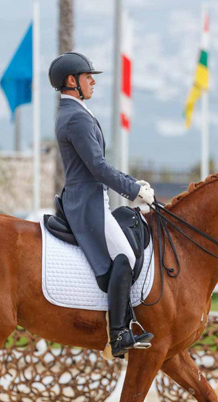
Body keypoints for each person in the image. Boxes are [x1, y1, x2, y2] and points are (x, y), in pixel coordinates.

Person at [49, 52, 155, 357]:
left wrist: (132, 185)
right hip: (87, 202)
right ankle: (119, 334)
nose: (93, 81)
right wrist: (133, 188)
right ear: (72, 81)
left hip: (90, 197)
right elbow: (97, 166)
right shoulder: (75, 117)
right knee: (124, 255)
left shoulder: (74, 112)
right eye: (87, 77)